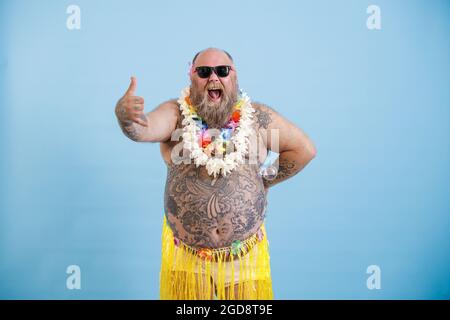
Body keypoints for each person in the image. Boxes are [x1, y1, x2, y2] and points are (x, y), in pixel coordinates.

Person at [114, 48, 316, 300]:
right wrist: (126, 118)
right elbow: (142, 129)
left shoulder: (259, 118)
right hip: (187, 261)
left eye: (222, 71)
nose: (213, 78)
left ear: (234, 77)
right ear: (191, 77)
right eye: (203, 71)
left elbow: (304, 149)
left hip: (245, 260)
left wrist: (265, 181)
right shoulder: (175, 115)